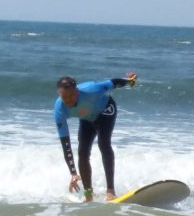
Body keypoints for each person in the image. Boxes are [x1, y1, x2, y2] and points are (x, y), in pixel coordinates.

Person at [54, 73, 137, 201]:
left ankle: (110, 191)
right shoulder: (60, 109)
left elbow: (113, 83)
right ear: (60, 95)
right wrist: (73, 173)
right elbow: (66, 144)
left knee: (103, 144)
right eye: (65, 97)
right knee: (82, 152)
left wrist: (130, 81)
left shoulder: (92, 89)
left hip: (105, 110)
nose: (69, 100)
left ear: (77, 91)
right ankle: (88, 195)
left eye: (71, 96)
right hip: (87, 118)